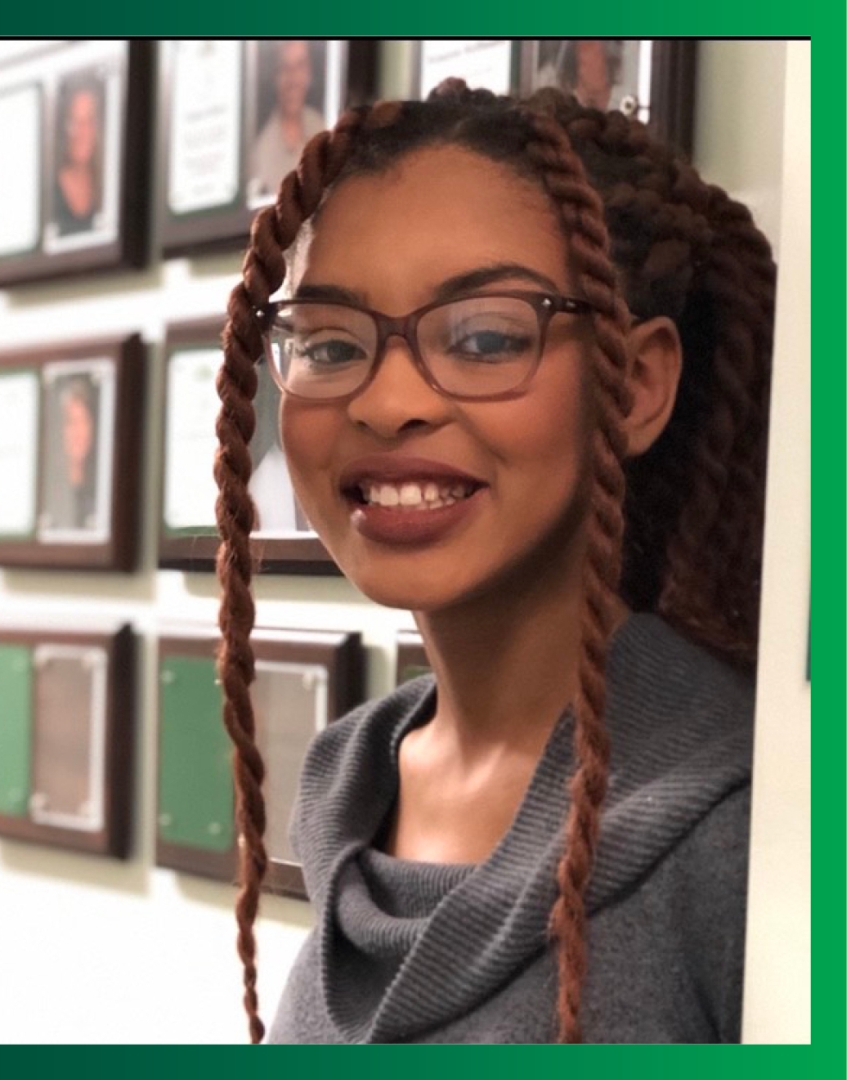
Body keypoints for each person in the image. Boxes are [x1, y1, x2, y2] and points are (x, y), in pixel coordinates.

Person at [214, 81, 774, 1044]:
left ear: (635, 386)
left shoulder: (752, 831)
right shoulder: (354, 776)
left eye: (483, 336)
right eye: (331, 341)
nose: (387, 404)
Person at [247, 40, 326, 203]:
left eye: (300, 66)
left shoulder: (323, 129)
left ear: (309, 72)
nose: (293, 79)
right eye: (285, 68)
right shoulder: (259, 152)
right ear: (274, 77)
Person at [43, 375, 98, 531]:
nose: (78, 432)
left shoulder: (98, 488)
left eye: (83, 422)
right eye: (71, 422)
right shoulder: (52, 490)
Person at [53, 75, 103, 236]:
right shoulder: (51, 192)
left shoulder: (108, 186)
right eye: (74, 121)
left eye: (88, 121)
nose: (81, 132)